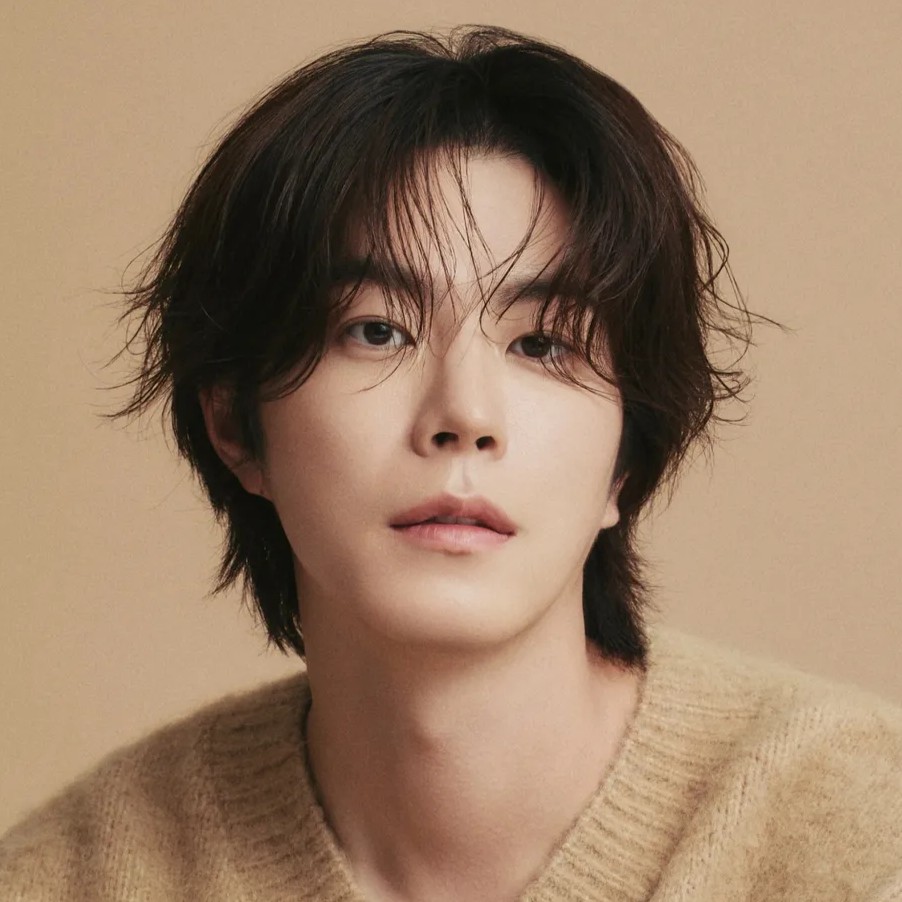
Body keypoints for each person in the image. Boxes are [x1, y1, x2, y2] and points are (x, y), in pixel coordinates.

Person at [2, 24, 900, 902]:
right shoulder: (74, 876)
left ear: (625, 460)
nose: (464, 417)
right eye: (376, 330)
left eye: (543, 343)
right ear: (237, 424)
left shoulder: (860, 839)